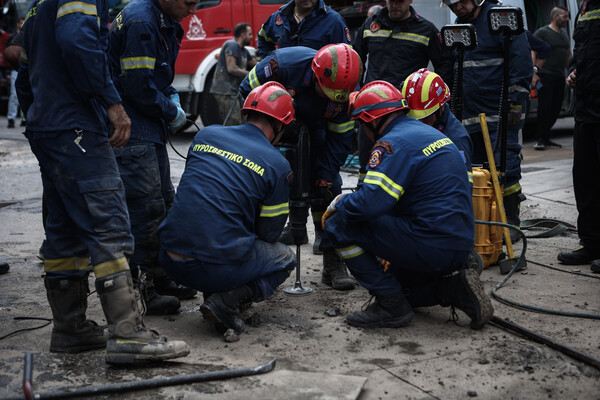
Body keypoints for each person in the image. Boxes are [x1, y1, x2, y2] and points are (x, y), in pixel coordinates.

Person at [16, 0, 188, 363]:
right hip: (77, 126)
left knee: (65, 231)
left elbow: (25, 67)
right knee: (109, 224)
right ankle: (128, 334)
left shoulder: (36, 8)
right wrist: (112, 103)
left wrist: (40, 117)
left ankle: (70, 328)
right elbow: (78, 41)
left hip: (49, 126)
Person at [322, 80, 493, 329]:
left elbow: (370, 204)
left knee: (339, 223)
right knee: (402, 286)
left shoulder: (392, 144)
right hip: (462, 245)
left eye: (361, 124)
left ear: (371, 121)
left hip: (430, 244)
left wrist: (340, 201)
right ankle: (450, 289)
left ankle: (390, 305)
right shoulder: (436, 135)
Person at [157, 82, 297, 334]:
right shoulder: (277, 164)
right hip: (213, 270)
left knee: (222, 235)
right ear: (280, 125)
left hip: (168, 259)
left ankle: (216, 291)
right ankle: (227, 300)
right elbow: (269, 234)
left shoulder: (206, 135)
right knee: (285, 258)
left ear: (247, 113)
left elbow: (198, 199)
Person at [239, 43, 363, 291]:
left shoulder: (344, 90)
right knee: (262, 182)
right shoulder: (282, 66)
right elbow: (246, 91)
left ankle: (332, 264)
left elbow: (340, 138)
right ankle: (251, 259)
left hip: (318, 128)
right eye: (325, 91)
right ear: (315, 74)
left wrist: (326, 175)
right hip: (274, 123)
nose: (330, 98)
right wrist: (274, 126)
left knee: (329, 187)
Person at [108, 0, 198, 315]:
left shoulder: (163, 20)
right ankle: (142, 290)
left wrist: (169, 93)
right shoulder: (141, 22)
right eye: (189, 1)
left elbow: (155, 77)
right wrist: (170, 108)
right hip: (133, 129)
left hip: (148, 127)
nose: (194, 7)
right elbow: (138, 86)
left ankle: (160, 278)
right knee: (145, 212)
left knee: (163, 204)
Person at [443, 0, 532, 242]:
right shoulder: (461, 25)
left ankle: (510, 220)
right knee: (474, 170)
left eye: (460, 2)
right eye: (452, 5)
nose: (457, 8)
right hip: (469, 113)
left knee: (505, 165)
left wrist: (514, 102)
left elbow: (522, 62)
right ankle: (482, 219)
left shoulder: (500, 18)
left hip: (500, 112)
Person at [353, 0, 452, 184]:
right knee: (367, 163)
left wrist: (431, 102)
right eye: (391, 1)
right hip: (371, 110)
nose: (395, 5)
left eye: (400, 1)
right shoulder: (371, 24)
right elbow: (355, 59)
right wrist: (358, 92)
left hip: (405, 113)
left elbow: (445, 66)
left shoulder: (426, 29)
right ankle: (365, 200)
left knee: (402, 161)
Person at [557, 0, 600, 273]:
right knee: (586, 180)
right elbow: (582, 52)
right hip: (586, 108)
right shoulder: (585, 8)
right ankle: (593, 244)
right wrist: (573, 71)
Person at [401, 68, 473, 178]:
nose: (420, 124)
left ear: (441, 107)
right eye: (413, 118)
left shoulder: (456, 140)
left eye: (426, 117)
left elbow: (461, 186)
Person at [533, 6, 572, 151]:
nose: (567, 20)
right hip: (546, 75)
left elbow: (568, 54)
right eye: (565, 17)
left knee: (556, 108)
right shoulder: (543, 32)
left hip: (559, 76)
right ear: (556, 17)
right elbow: (533, 51)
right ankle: (540, 139)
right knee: (545, 107)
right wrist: (534, 73)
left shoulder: (564, 34)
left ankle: (546, 137)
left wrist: (572, 70)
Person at [257, 0, 351, 60]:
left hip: (316, 88)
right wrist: (271, 62)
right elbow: (263, 39)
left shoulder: (334, 22)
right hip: (285, 86)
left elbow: (347, 58)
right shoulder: (279, 17)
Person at [210, 22, 257, 125]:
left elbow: (254, 63)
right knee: (234, 120)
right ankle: (228, 140)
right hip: (225, 90)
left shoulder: (243, 50)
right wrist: (250, 74)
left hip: (233, 91)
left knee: (243, 119)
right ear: (242, 35)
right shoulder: (232, 45)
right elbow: (231, 68)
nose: (252, 37)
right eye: (250, 34)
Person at [6, 18, 24, 129]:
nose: (22, 24)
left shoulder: (27, 34)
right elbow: (8, 55)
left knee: (24, 92)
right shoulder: (12, 37)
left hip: (25, 68)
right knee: (14, 95)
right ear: (17, 23)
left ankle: (24, 118)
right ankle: (11, 118)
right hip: (14, 70)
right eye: (20, 22)